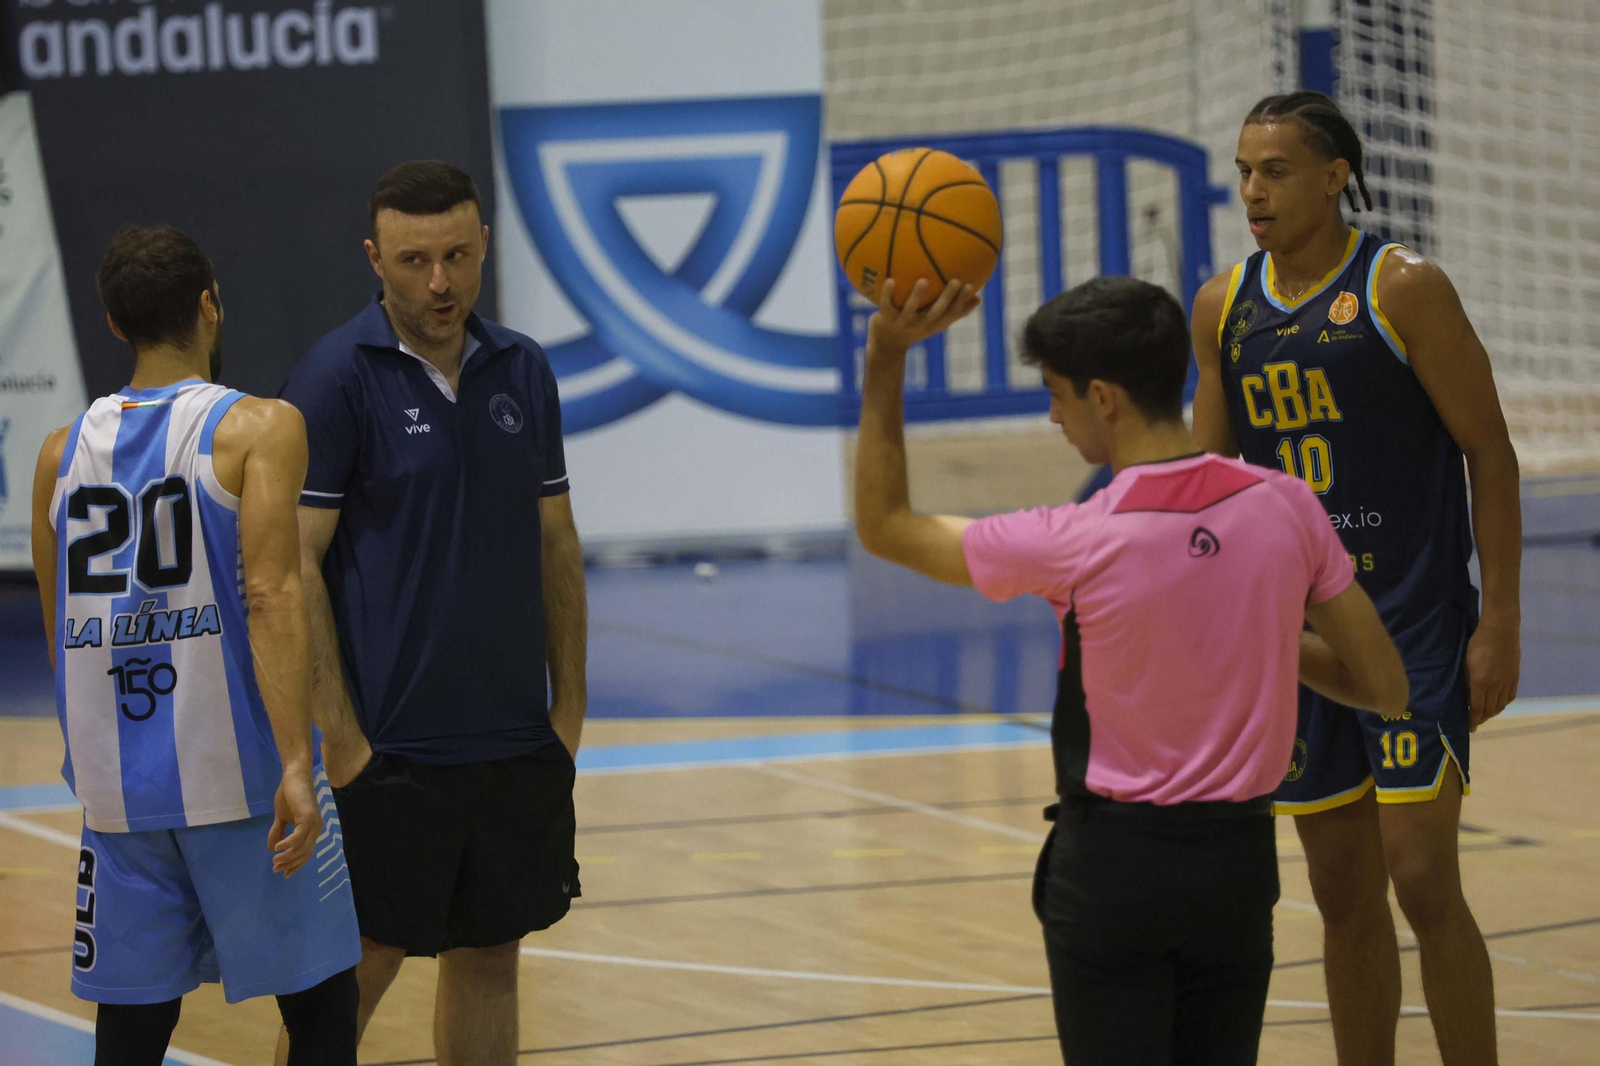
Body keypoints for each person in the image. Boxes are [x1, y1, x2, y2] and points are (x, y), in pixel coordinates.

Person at [855, 273, 1409, 1063]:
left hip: (1115, 874)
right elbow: (1385, 686)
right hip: (1239, 872)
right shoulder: (1286, 505)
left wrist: (885, 355)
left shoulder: (1072, 537)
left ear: (1104, 397)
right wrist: (1268, 638)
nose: (1053, 416)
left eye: (1057, 395)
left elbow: (885, 526)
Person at [1190, 91, 1522, 1066]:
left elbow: (1489, 454)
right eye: (1244, 171)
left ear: (1336, 177)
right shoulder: (1223, 304)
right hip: (1295, 634)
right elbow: (1209, 490)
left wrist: (1496, 619)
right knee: (1340, 895)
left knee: (1420, 877)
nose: (1252, 189)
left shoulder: (1403, 287)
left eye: (1275, 170)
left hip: (1410, 619)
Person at [275, 161, 587, 1064]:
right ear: (376, 259)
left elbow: (557, 546)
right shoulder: (333, 378)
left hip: (514, 740)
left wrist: (566, 713)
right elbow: (294, 562)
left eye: (457, 254)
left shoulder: (523, 370)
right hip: (391, 752)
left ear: (485, 244)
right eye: (415, 260)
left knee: (491, 954)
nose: (440, 282)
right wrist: (340, 740)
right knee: (361, 965)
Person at [27, 225, 361, 1065]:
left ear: (111, 322)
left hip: (115, 791)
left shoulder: (57, 455)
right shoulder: (258, 427)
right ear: (210, 304)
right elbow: (272, 594)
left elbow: (55, 624)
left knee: (133, 1031)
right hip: (238, 778)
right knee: (323, 1006)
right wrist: (296, 762)